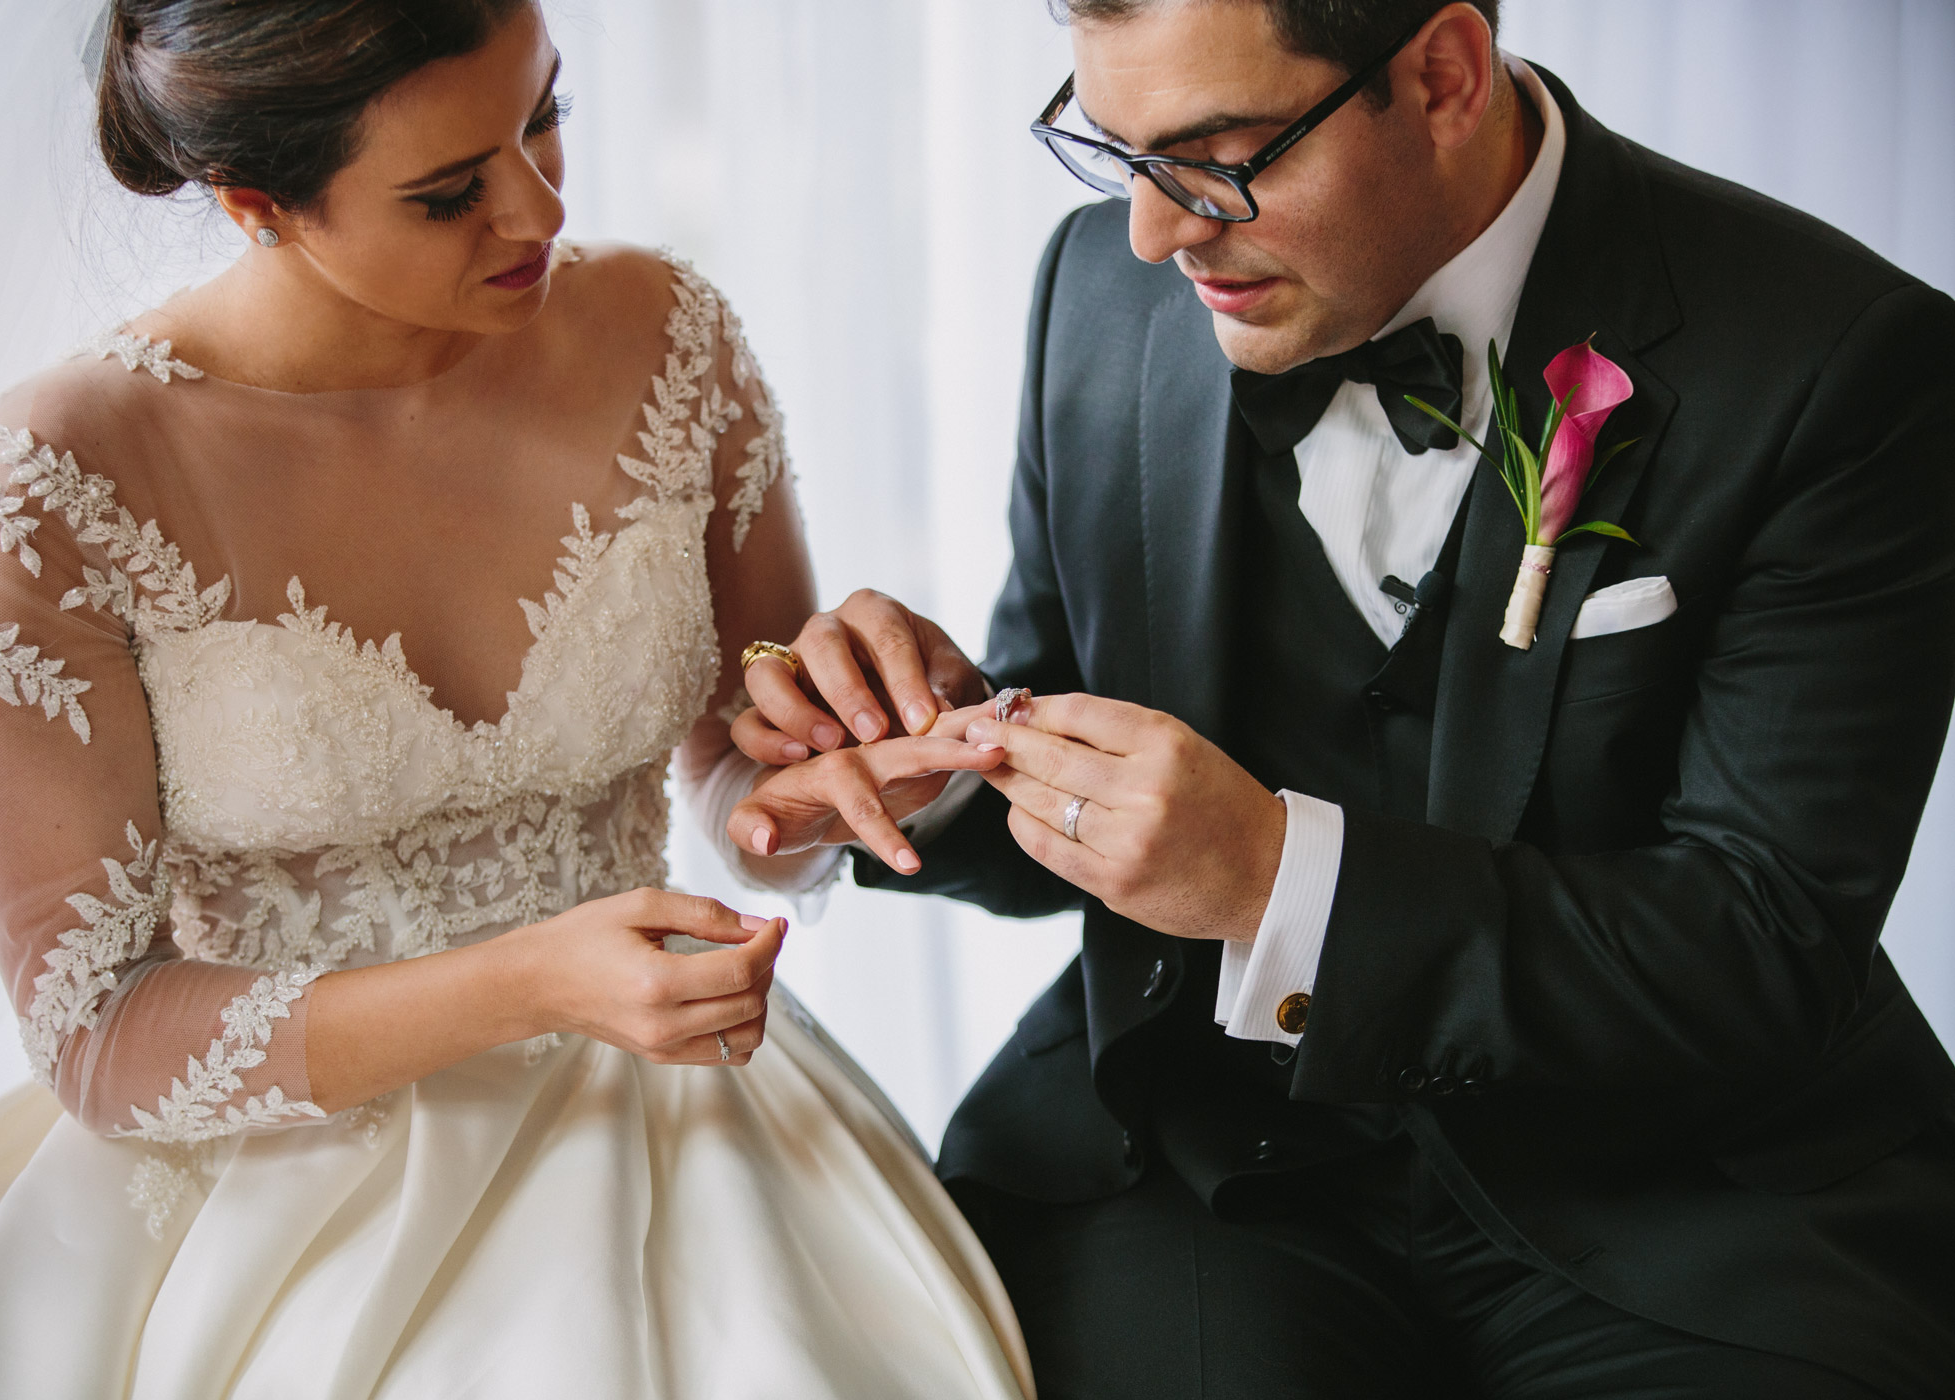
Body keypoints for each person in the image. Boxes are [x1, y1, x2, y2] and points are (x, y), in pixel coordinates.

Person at [725, 0, 1955, 1395]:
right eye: (1110, 149)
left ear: (1441, 75)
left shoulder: (1841, 363)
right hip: (1191, 1160)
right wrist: (925, 756)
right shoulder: (1104, 291)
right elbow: (1062, 684)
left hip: (1682, 1192)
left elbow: (1765, 937)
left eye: (1215, 157)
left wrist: (1272, 882)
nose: (1149, 232)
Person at [0, 2, 1034, 1396]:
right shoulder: (61, 488)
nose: (538, 206)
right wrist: (534, 979)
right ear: (256, 204)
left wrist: (834, 775)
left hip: (693, 1144)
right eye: (447, 192)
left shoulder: (665, 334)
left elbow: (736, 756)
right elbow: (98, 1035)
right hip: (267, 1193)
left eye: (545, 117)